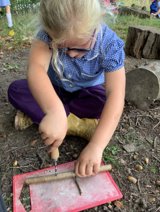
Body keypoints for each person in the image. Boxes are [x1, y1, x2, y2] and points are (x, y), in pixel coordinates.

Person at [8, 0, 125, 177]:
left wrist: (96, 146)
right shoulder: (46, 34)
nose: (70, 53)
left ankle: (62, 121)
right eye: (61, 46)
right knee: (17, 90)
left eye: (79, 47)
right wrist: (54, 110)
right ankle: (69, 120)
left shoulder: (110, 45)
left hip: (86, 92)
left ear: (98, 21)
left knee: (103, 105)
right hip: (53, 90)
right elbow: (36, 69)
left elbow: (115, 94)